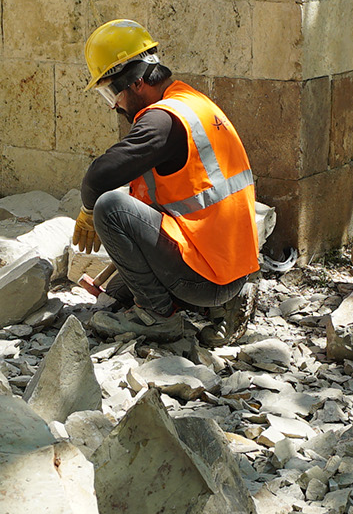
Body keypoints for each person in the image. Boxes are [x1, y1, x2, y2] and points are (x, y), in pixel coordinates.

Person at [69, 19, 259, 342]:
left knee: (109, 207)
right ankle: (218, 306)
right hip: (232, 268)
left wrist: (88, 210)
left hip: (207, 278)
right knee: (117, 292)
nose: (114, 104)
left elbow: (98, 176)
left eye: (112, 91)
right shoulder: (190, 103)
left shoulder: (161, 121)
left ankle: (157, 316)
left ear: (136, 82)